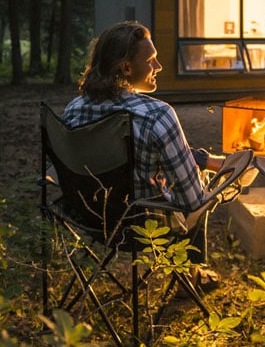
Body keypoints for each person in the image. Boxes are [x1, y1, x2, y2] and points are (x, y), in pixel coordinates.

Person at [61, 20, 226, 282]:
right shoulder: (157, 114)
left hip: (87, 220)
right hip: (142, 226)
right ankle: (189, 278)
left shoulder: (73, 110)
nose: (158, 67)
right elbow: (192, 200)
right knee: (200, 186)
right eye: (151, 60)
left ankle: (189, 277)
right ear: (126, 68)